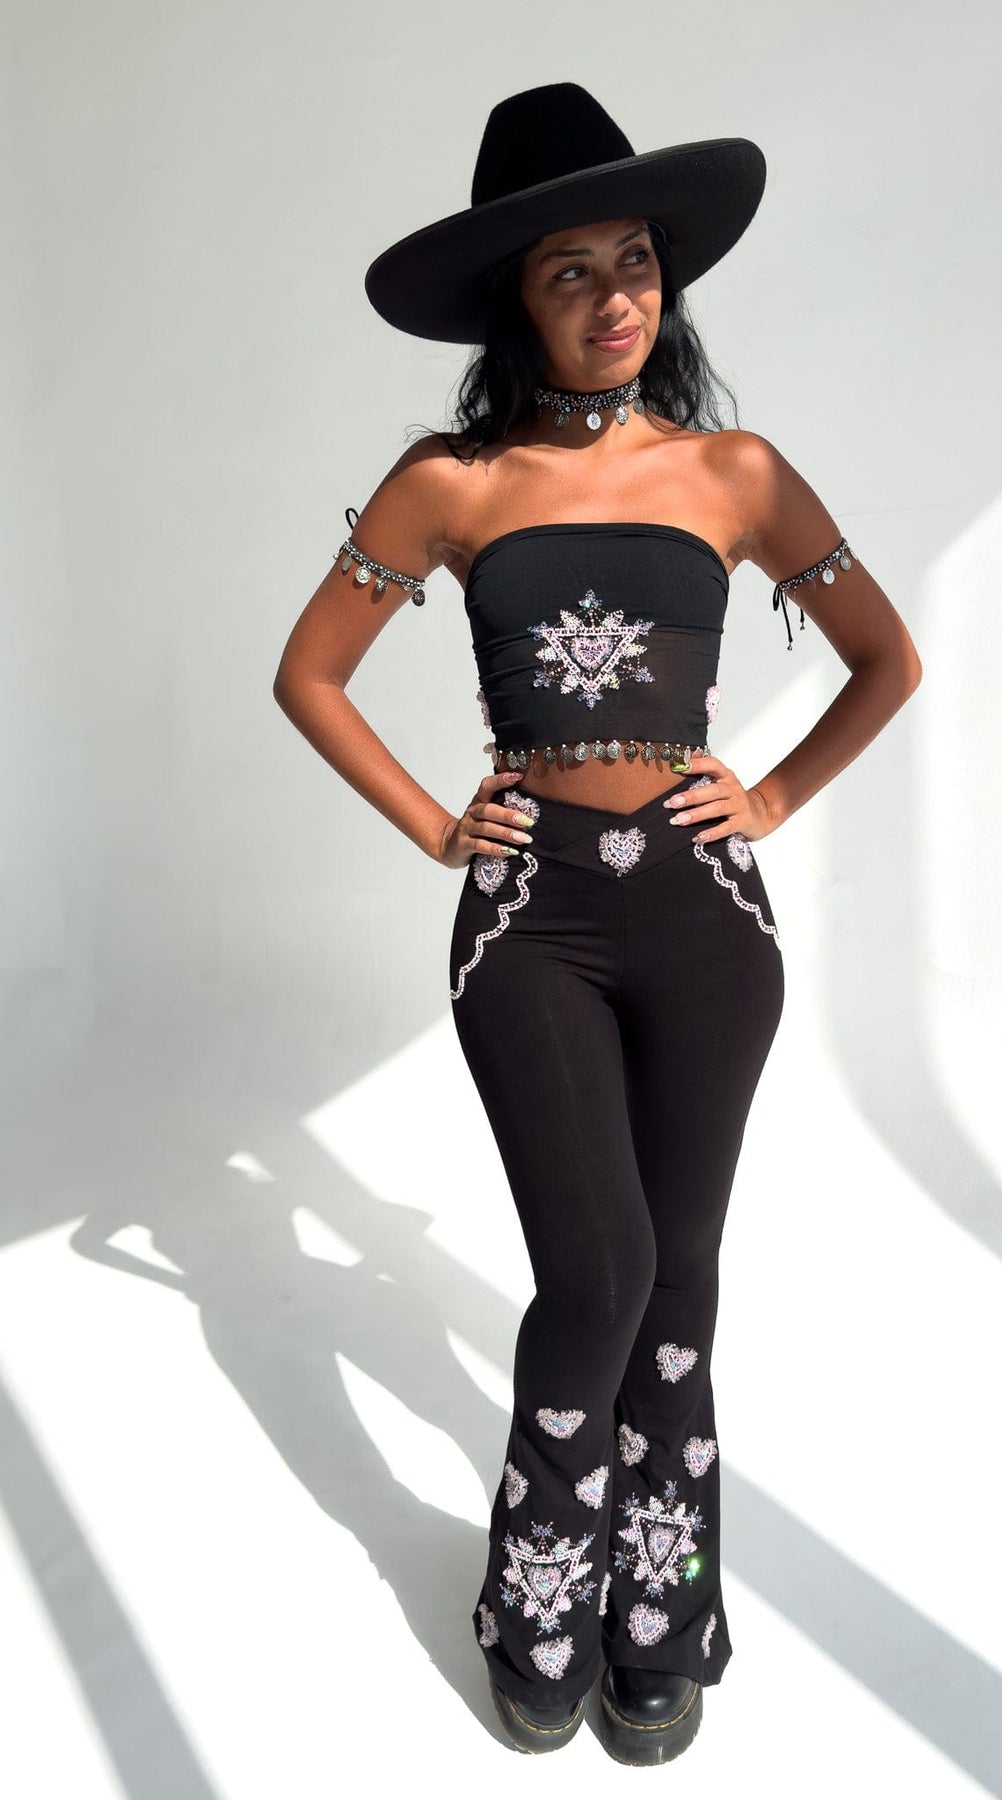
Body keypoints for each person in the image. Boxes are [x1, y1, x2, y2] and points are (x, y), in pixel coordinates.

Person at [273, 82, 922, 1765]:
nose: (615, 296)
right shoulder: (448, 483)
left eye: (633, 261)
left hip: (706, 919)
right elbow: (309, 675)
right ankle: (537, 1590)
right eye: (571, 270)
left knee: (678, 1279)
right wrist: (440, 826)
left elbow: (887, 660)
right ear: (517, 300)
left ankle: (662, 1605)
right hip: (530, 920)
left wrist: (769, 796)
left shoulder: (733, 471)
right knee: (598, 1271)